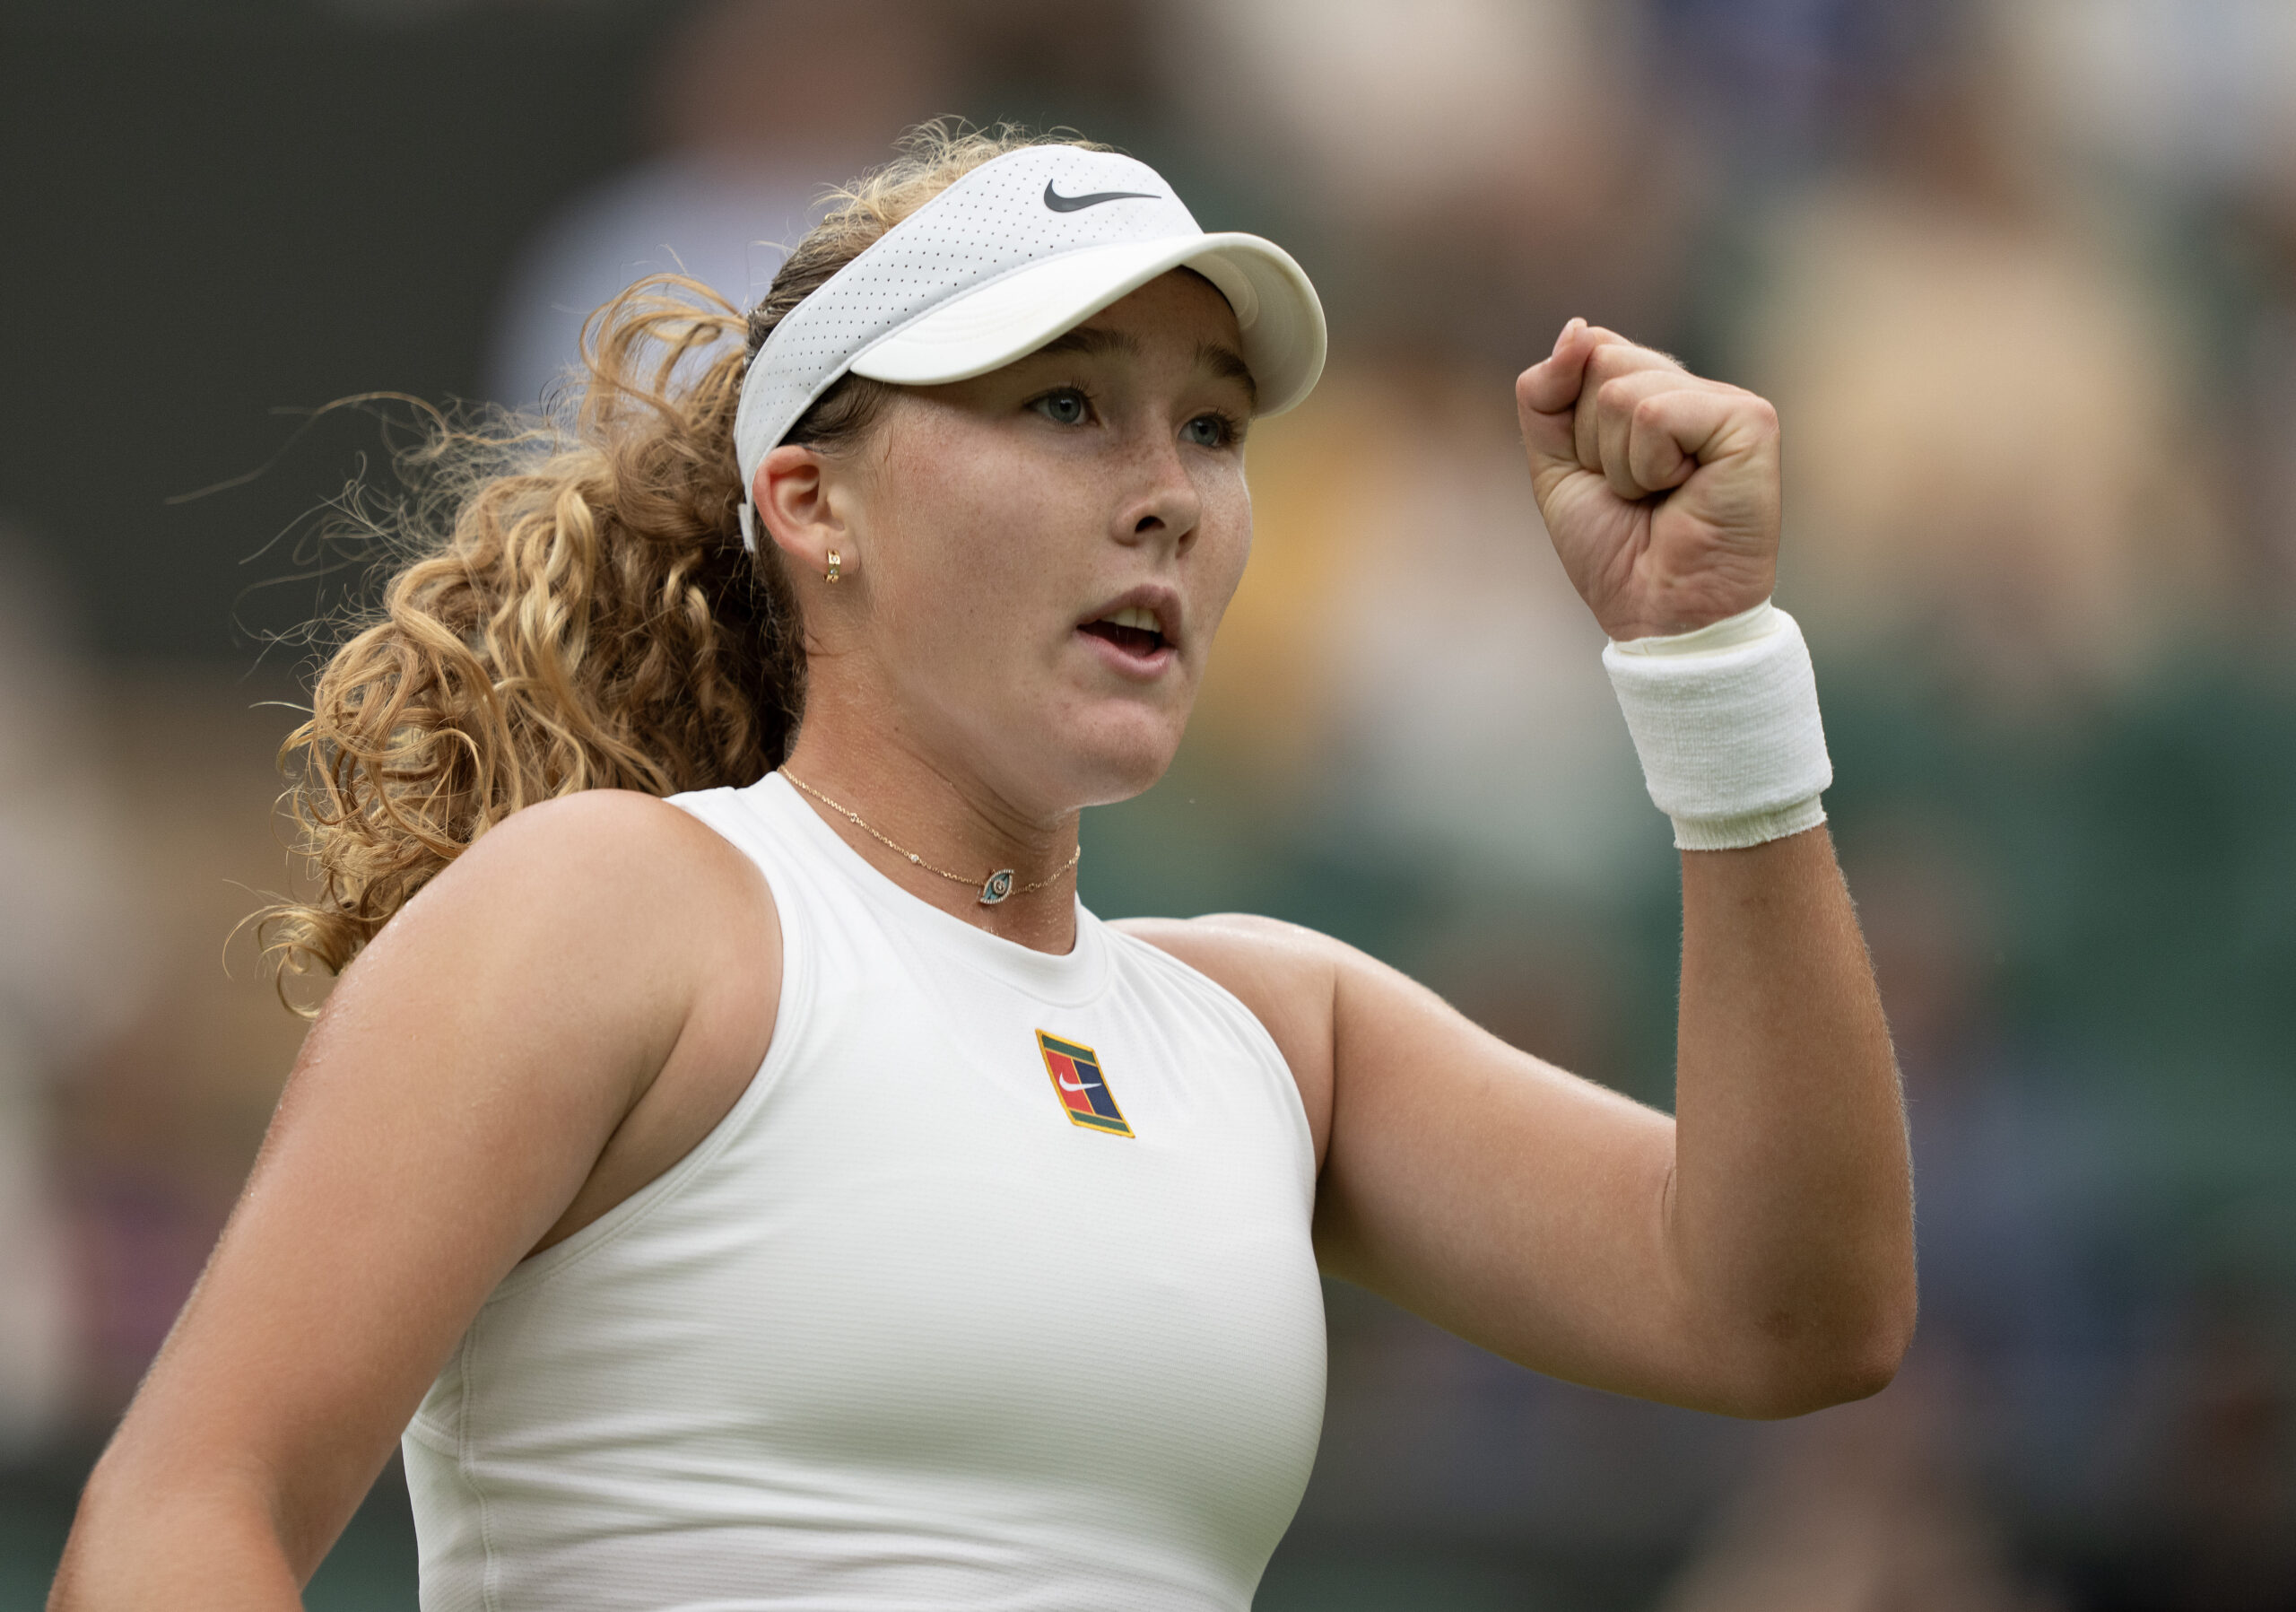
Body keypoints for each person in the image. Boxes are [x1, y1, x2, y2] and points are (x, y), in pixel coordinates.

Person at [49, 125, 1914, 1611]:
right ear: (815, 502)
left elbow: (1792, 1310)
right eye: (1063, 405)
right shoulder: (612, 910)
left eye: (1209, 425)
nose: (1166, 489)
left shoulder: (1279, 1032)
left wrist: (1711, 667)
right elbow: (184, 1513)